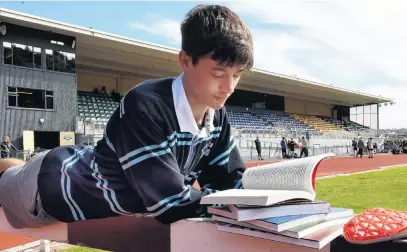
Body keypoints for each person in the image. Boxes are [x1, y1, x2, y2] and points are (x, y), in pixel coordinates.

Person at [0, 4, 254, 229]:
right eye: (219, 74)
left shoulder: (217, 116)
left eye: (237, 75)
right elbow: (170, 204)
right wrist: (225, 202)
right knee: (6, 178)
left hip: (75, 168)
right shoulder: (145, 104)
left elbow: (231, 183)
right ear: (185, 61)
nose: (229, 87)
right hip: (50, 187)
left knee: (16, 168)